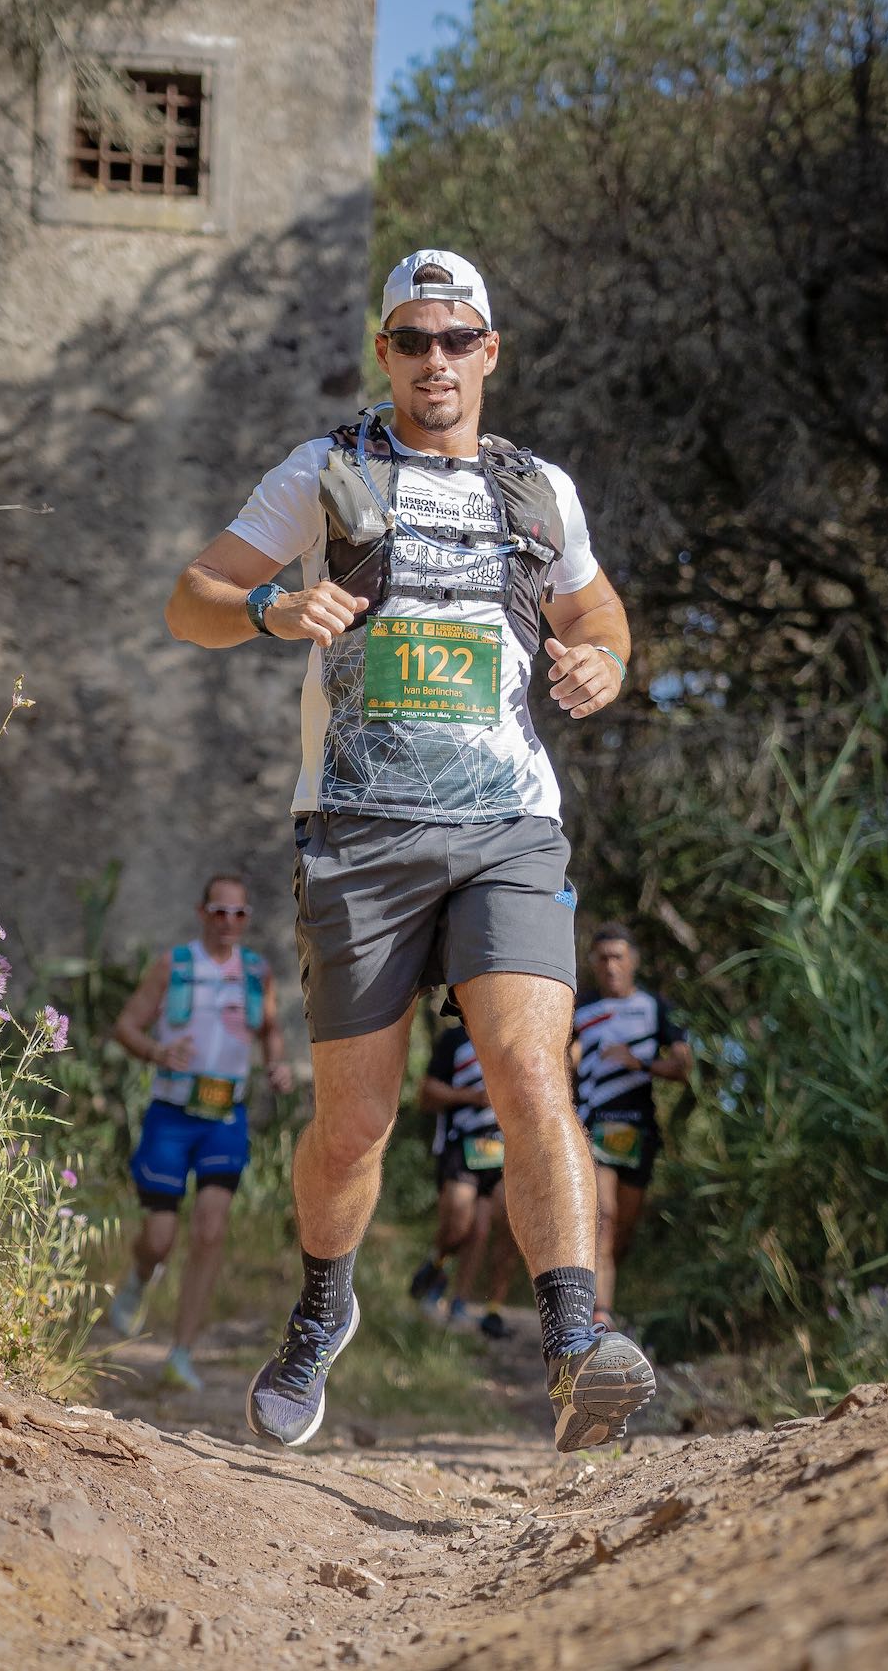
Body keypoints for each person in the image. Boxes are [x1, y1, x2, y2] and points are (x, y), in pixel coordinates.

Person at [165, 247, 656, 1452]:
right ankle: (323, 1306)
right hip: (358, 832)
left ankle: (575, 1345)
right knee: (356, 1127)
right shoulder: (324, 471)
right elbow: (192, 598)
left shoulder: (538, 489)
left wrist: (606, 657)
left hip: (508, 828)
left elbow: (594, 607)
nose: (436, 360)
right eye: (413, 340)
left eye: (457, 339)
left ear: (490, 352)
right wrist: (272, 608)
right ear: (385, 353)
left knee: (531, 1073)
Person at [108, 874, 292, 1391]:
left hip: (226, 1118)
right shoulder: (174, 965)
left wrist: (277, 1065)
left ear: (247, 919)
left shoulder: (257, 972)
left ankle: (181, 1352)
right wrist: (156, 1051)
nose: (229, 922)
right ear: (202, 913)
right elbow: (126, 1026)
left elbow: (270, 1031)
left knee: (210, 1230)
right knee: (160, 1237)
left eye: (239, 914)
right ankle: (141, 1277)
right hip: (171, 1113)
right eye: (219, 912)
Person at [574, 924, 693, 1331]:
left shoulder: (656, 1007)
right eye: (602, 957)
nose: (610, 965)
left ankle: (604, 1295)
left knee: (622, 1229)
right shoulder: (579, 1008)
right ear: (592, 963)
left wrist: (638, 1063)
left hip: (638, 1131)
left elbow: (683, 1068)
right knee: (603, 1218)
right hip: (594, 1125)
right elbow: (560, 1057)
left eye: (618, 957)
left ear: (633, 961)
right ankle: (599, 1316)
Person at [409, 1022, 518, 1339]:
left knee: (484, 1229)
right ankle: (435, 1265)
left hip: (500, 1150)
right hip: (460, 1144)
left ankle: (461, 1302)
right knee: (459, 1221)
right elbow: (426, 1093)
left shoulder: (514, 1035)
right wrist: (472, 1096)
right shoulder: (454, 1039)